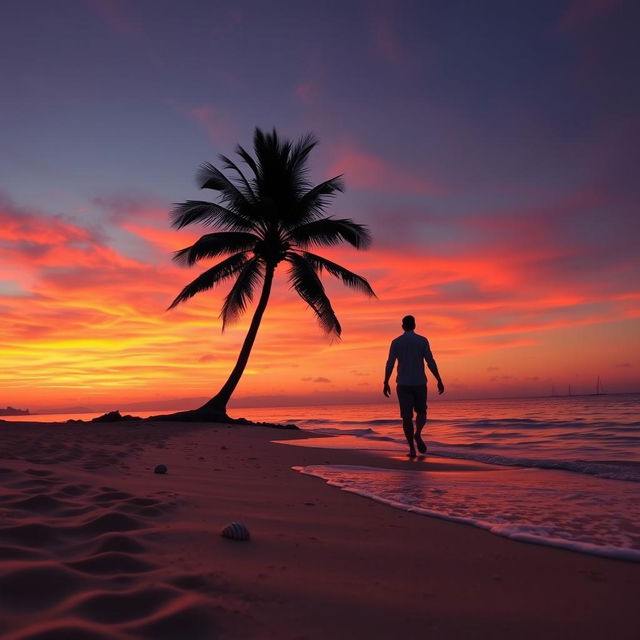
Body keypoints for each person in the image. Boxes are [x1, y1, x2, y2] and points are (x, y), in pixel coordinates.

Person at [383, 315, 444, 457]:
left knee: (406, 417)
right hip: (420, 383)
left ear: (403, 326)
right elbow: (430, 361)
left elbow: (390, 363)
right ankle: (418, 434)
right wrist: (439, 379)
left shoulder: (396, 342)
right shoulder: (422, 341)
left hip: (403, 384)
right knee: (422, 412)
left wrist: (386, 382)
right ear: (414, 325)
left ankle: (411, 449)